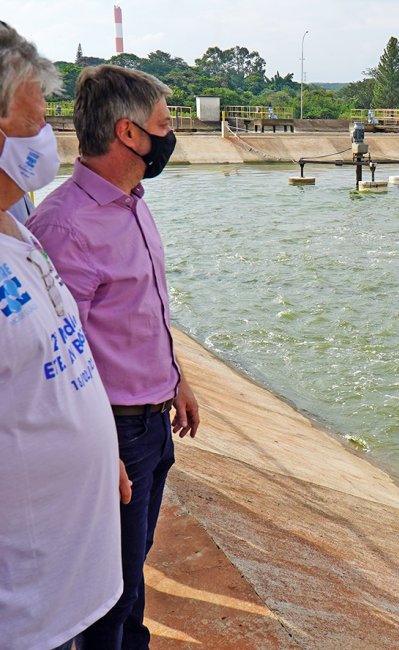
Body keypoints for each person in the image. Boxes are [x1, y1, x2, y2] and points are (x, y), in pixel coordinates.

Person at [27, 64, 200, 649]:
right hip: (116, 434)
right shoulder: (65, 226)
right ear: (128, 134)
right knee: (105, 592)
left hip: (152, 423)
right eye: (163, 124)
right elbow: (54, 355)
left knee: (131, 573)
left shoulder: (132, 203)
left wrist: (178, 379)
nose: (169, 136)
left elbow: (141, 313)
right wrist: (98, 446)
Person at [0, 22, 127, 650]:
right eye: (36, 118)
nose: (49, 136)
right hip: (24, 612)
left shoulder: (16, 231)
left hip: (65, 587)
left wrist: (102, 457)